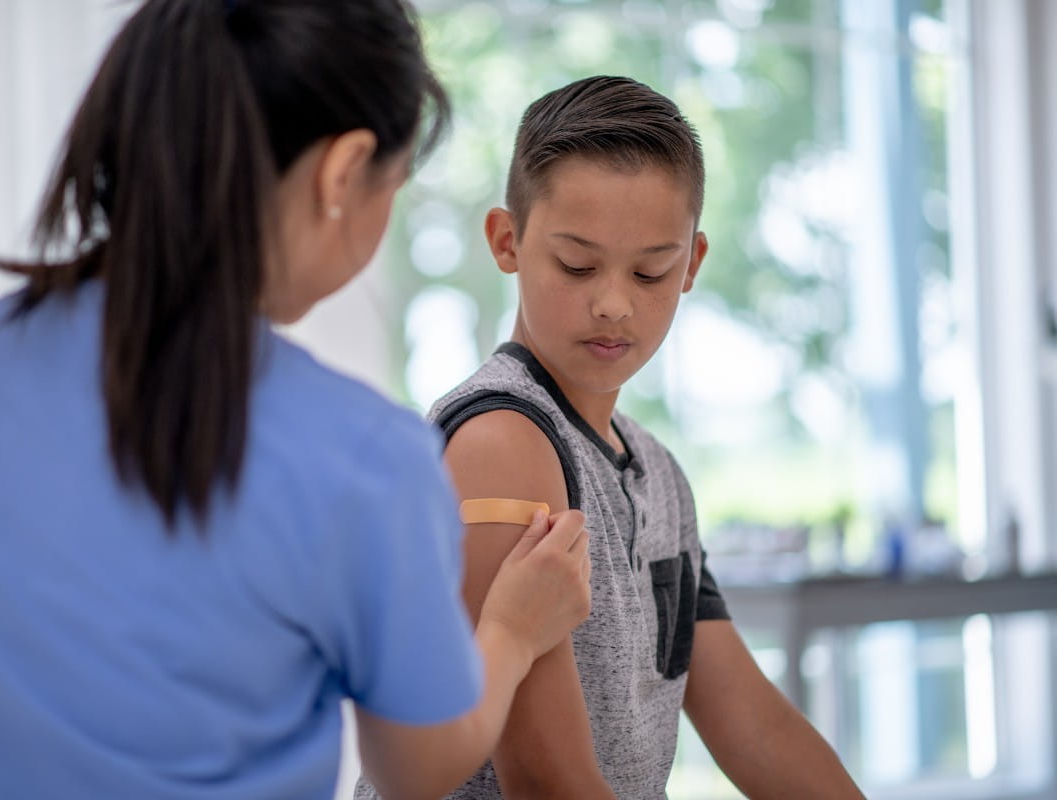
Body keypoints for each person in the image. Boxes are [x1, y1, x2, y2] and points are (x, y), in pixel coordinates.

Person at [0, 2, 594, 798]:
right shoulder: (359, 455)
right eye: (395, 182)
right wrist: (513, 633)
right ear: (342, 173)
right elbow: (414, 769)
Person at [357, 76, 865, 799]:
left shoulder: (658, 474)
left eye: (651, 270)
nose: (614, 303)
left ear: (691, 263)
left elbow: (754, 726)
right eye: (577, 265)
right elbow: (546, 781)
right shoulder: (502, 439)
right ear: (507, 241)